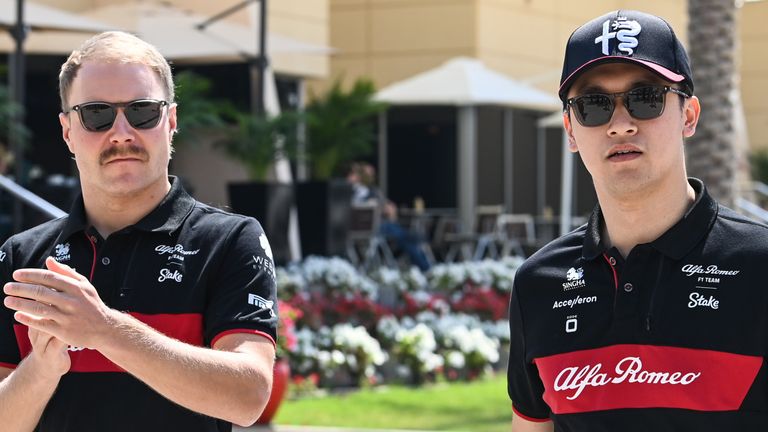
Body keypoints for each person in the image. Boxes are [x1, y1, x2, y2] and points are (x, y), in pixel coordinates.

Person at [0, 31, 277, 432]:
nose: (122, 133)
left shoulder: (230, 241)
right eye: (97, 114)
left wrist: (105, 329)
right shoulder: (22, 258)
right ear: (67, 132)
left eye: (142, 111)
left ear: (171, 121)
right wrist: (41, 369)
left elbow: (248, 396)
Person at [507, 10, 768, 431]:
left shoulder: (760, 265)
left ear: (688, 115)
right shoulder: (538, 283)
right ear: (571, 130)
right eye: (593, 105)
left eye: (645, 98)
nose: (620, 125)